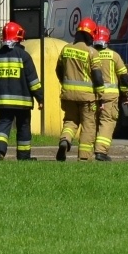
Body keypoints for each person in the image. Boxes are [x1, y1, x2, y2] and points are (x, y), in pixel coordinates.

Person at [0, 21, 43, 160]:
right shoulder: (24, 56)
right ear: (19, 36)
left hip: (2, 100)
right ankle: (24, 157)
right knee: (23, 126)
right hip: (22, 101)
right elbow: (33, 81)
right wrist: (40, 98)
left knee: (3, 124)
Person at [56, 17, 100, 161]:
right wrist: (100, 94)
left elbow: (58, 70)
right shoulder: (92, 52)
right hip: (87, 97)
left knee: (70, 121)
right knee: (88, 126)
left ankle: (65, 139)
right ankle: (84, 157)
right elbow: (98, 77)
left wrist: (65, 83)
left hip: (68, 95)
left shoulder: (66, 48)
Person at [90, 24, 128, 162]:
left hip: (92, 95)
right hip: (110, 96)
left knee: (91, 122)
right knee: (107, 122)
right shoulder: (114, 56)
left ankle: (86, 151)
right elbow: (124, 78)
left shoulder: (89, 54)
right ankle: (101, 151)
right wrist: (125, 94)